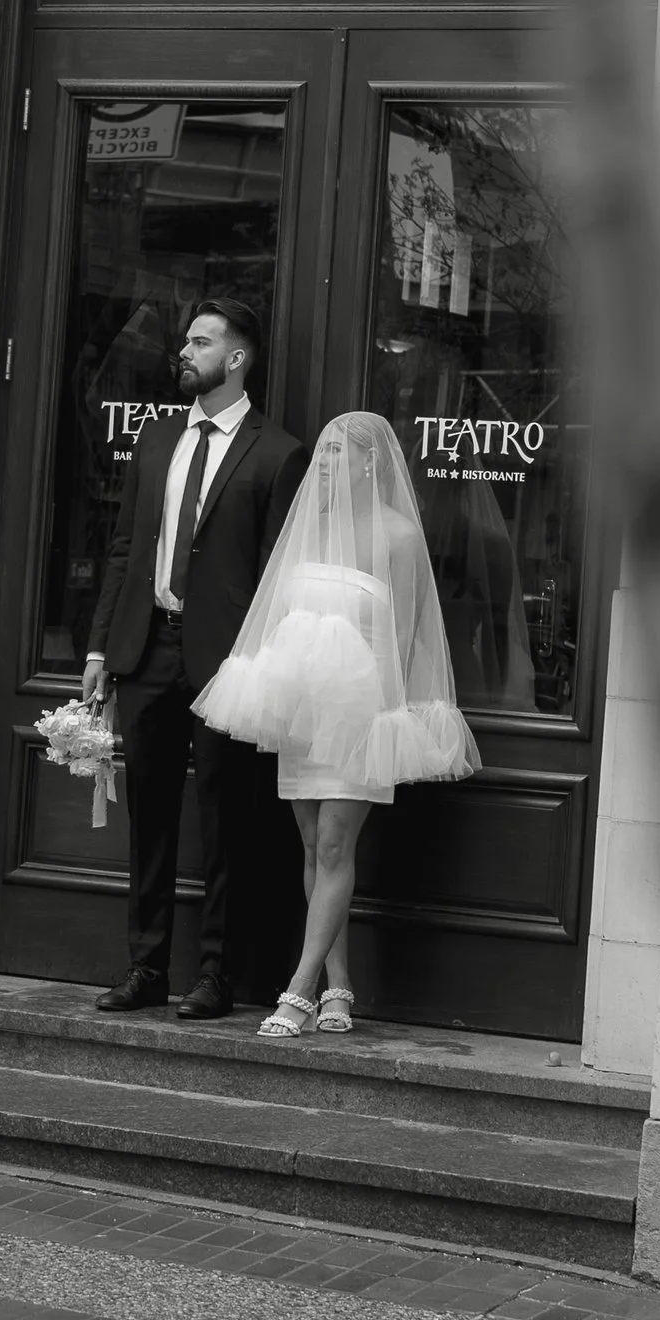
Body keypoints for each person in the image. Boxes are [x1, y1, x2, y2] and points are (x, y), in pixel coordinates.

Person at [194, 410, 479, 1037]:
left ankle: (297, 989)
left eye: (335, 456)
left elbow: (409, 640)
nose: (322, 465)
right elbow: (275, 614)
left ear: (369, 462)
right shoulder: (310, 530)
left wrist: (387, 720)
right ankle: (339, 986)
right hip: (302, 708)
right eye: (321, 454)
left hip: (361, 712)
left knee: (332, 845)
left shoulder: (400, 537)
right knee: (311, 846)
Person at [82, 295, 304, 1019]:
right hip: (148, 650)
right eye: (186, 339)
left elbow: (278, 573)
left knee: (226, 820)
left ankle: (216, 974)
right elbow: (125, 549)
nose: (185, 350)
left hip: (227, 661)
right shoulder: (155, 442)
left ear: (236, 359)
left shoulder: (276, 452)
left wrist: (266, 664)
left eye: (201, 341)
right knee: (150, 816)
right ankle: (144, 967)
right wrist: (99, 645)